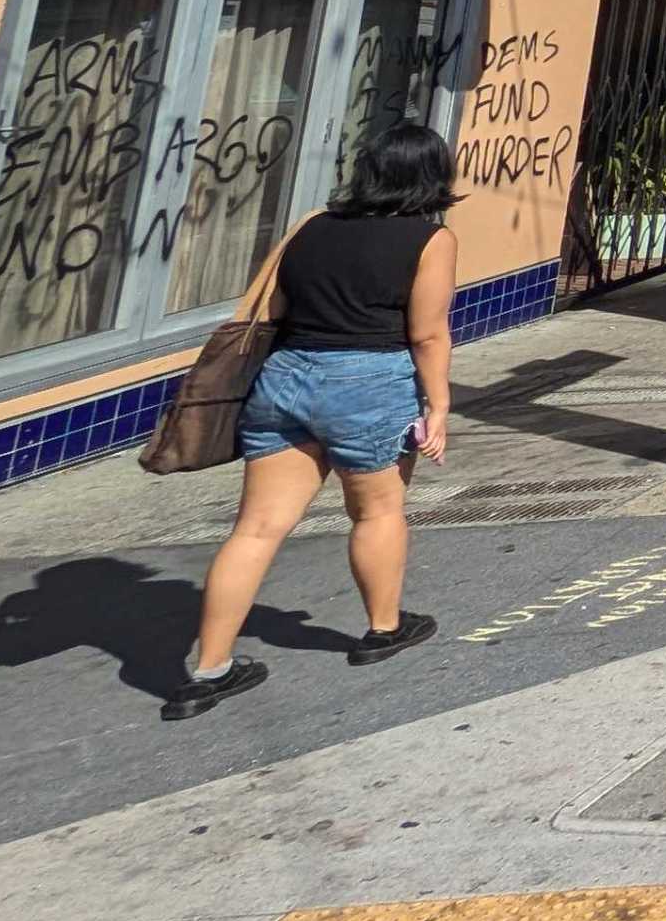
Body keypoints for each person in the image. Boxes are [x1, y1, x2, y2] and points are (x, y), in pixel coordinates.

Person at [170, 125, 461, 717]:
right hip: (369, 383)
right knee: (376, 511)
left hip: (286, 376)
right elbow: (427, 333)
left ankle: (208, 670)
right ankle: (383, 629)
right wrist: (438, 405)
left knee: (255, 528)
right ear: (433, 176)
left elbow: (272, 309)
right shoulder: (431, 241)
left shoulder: (310, 225)